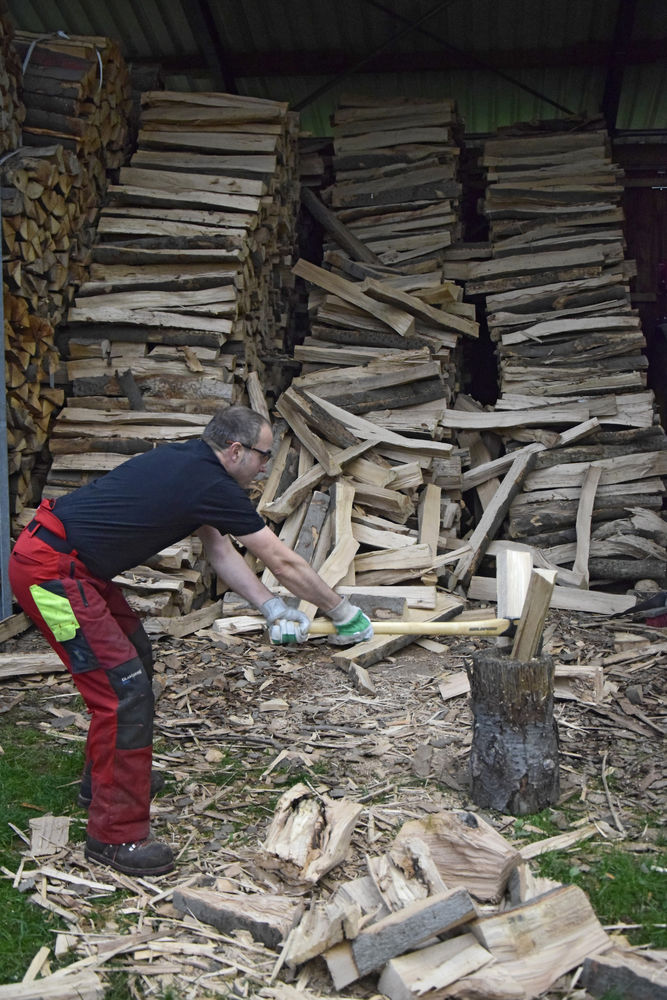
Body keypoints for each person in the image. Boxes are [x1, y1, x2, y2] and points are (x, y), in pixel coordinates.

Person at [8, 406, 373, 877]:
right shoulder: (209, 481)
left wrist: (270, 606)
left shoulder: (192, 467)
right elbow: (284, 562)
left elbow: (220, 551)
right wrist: (342, 613)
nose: (266, 466)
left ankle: (103, 786)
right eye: (263, 455)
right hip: (49, 575)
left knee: (134, 654)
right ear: (236, 450)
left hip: (72, 567)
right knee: (122, 690)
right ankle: (114, 838)